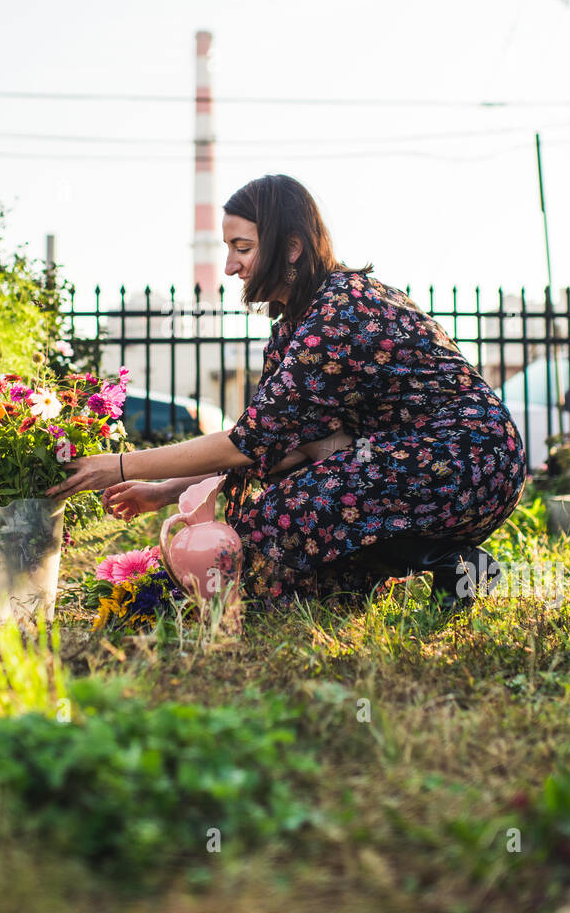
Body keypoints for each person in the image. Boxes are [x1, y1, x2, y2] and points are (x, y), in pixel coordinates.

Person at [48, 174, 527, 611]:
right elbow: (272, 446)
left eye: (242, 247)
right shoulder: (295, 325)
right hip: (405, 460)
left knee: (283, 513)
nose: (231, 266)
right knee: (288, 527)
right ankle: (451, 568)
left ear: (292, 247)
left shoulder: (338, 313)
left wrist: (117, 466)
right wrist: (167, 491)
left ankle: (442, 558)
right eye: (227, 248)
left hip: (468, 459)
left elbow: (245, 444)